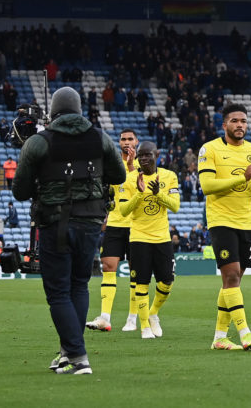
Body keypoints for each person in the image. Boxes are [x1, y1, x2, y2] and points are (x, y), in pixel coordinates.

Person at [12, 87, 127, 374]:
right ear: (79, 109)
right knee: (79, 284)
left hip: (56, 222)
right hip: (91, 222)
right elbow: (119, 175)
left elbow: (20, 190)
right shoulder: (100, 137)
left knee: (58, 291)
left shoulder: (39, 142)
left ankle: (77, 355)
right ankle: (67, 352)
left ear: (53, 111)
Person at [199, 103, 251, 351]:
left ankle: (219, 337)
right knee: (230, 276)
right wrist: (244, 176)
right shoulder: (210, 149)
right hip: (220, 221)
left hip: (245, 222)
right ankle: (245, 332)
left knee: (233, 281)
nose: (240, 125)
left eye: (243, 121)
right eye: (234, 121)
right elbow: (207, 186)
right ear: (224, 124)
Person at [117, 141, 179, 339]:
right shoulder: (129, 179)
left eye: (147, 155)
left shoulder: (169, 176)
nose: (143, 158)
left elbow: (175, 206)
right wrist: (139, 193)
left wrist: (157, 194)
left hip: (162, 238)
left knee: (167, 281)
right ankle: (144, 327)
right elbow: (124, 210)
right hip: (139, 237)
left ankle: (153, 314)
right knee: (141, 283)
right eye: (140, 155)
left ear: (157, 154)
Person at [86, 128, 139, 333]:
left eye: (130, 139)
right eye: (123, 139)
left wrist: (133, 165)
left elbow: (142, 189)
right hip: (115, 223)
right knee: (108, 266)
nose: (127, 142)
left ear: (136, 141)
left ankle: (132, 318)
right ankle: (105, 317)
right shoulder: (112, 164)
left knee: (136, 272)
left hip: (137, 225)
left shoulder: (144, 164)